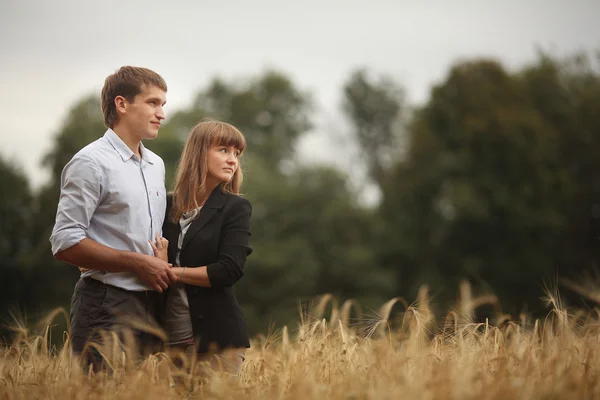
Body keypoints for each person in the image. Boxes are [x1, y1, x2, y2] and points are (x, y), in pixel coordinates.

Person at [49, 66, 177, 370]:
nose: (161, 113)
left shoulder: (156, 165)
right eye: (153, 103)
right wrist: (136, 262)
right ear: (122, 104)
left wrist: (159, 256)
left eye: (163, 105)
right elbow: (64, 242)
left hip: (152, 305)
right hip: (106, 304)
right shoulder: (90, 163)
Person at [151, 120, 253, 376]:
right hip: (169, 339)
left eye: (236, 154)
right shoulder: (164, 204)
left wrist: (171, 271)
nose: (232, 160)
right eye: (223, 150)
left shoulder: (236, 208)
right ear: (199, 152)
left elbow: (227, 271)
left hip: (218, 342)